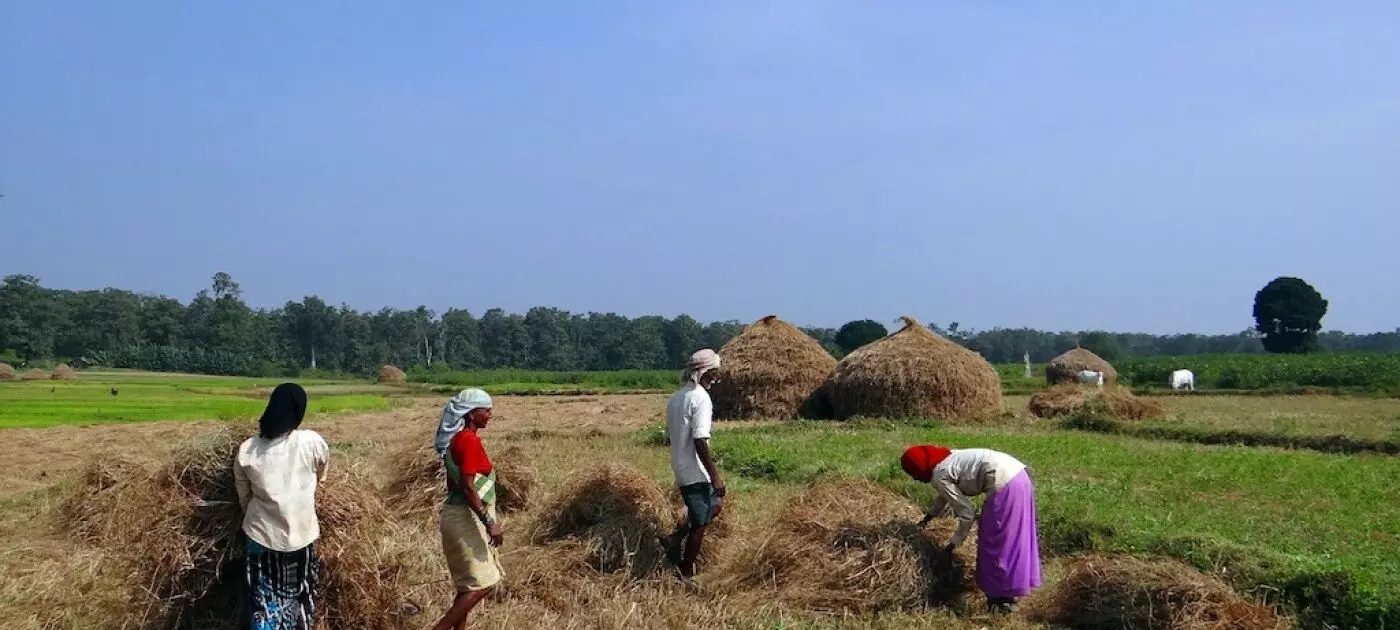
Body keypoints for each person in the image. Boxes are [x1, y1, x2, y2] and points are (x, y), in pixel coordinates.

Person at [900, 444, 1042, 614]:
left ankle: (1001, 602)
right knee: (1013, 540)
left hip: (1005, 484)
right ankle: (1006, 597)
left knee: (994, 543)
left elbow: (967, 514)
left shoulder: (940, 474)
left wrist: (952, 544)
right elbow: (944, 496)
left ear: (920, 469)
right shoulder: (947, 459)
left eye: (913, 474)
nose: (915, 479)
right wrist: (927, 519)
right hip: (1019, 476)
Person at [233, 383, 330, 630]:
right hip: (302, 535)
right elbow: (322, 473)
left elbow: (243, 497)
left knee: (262, 600)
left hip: (260, 537)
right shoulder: (311, 442)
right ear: (298, 411)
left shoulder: (247, 450)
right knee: (301, 592)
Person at [429, 388, 503, 630]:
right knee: (484, 584)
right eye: (486, 410)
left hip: (456, 514)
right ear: (472, 415)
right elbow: (469, 488)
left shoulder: (457, 439)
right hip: (465, 516)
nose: (491, 414)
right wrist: (489, 523)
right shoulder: (469, 441)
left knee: (467, 586)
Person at [665, 348, 725, 586]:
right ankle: (685, 573)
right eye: (713, 374)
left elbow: (670, 436)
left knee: (714, 506)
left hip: (680, 464)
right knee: (700, 522)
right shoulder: (700, 398)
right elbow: (700, 439)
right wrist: (715, 476)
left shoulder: (676, 398)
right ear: (704, 372)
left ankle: (675, 538)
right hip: (694, 469)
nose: (715, 379)